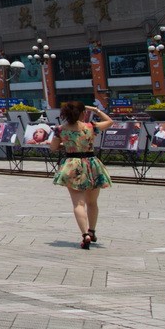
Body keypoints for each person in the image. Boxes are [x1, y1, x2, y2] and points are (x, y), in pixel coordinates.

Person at [50, 99, 113, 249]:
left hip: (72, 165)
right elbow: (110, 121)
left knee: (78, 203)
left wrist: (66, 144)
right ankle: (92, 231)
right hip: (91, 164)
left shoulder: (60, 129)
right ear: (83, 113)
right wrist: (96, 110)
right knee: (92, 202)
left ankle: (84, 235)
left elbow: (53, 147)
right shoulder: (91, 127)